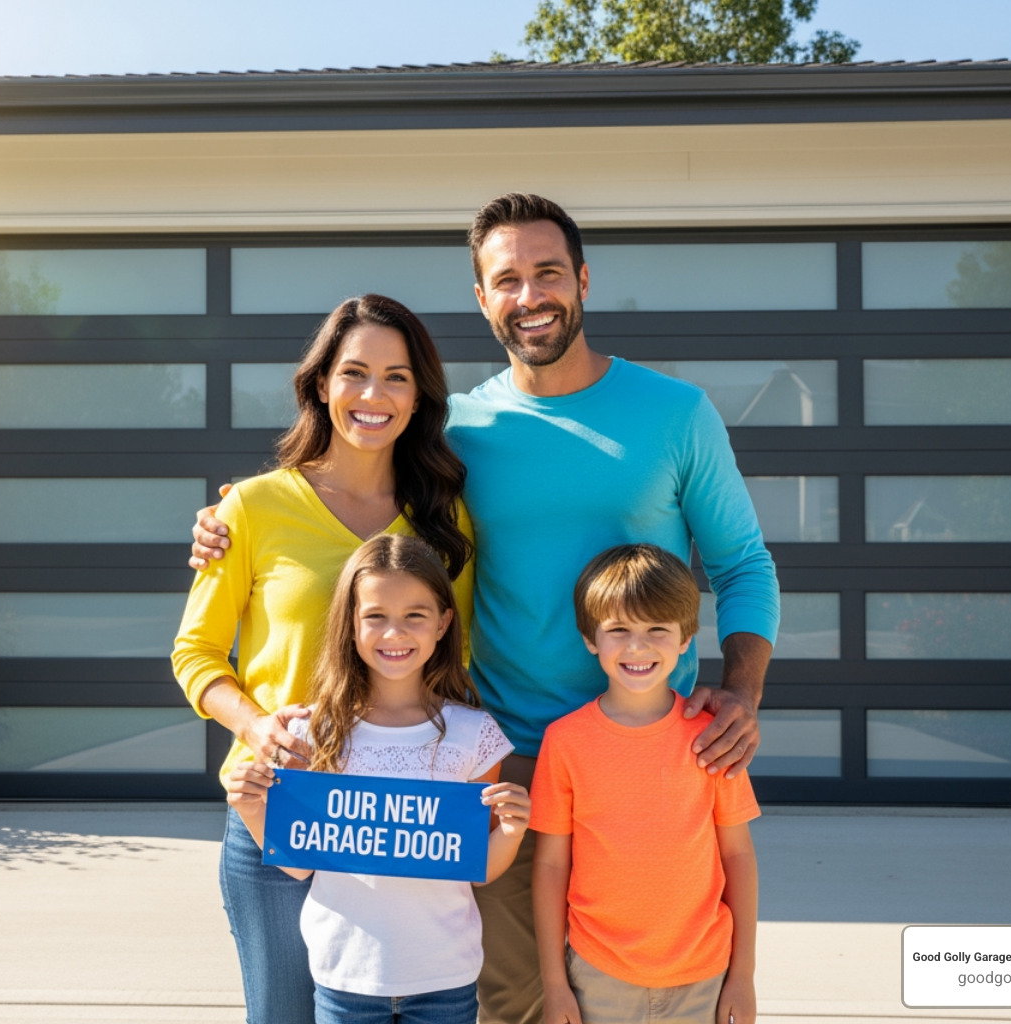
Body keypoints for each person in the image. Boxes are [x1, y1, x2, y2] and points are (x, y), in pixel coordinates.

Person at [191, 194, 778, 1024]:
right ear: (482, 298)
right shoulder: (455, 434)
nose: (530, 294)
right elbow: (350, 474)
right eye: (507, 278)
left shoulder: (675, 414)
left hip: (644, 759)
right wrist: (229, 518)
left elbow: (743, 562)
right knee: (511, 1001)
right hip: (498, 760)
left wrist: (743, 690)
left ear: (582, 279)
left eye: (547, 272)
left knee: (650, 988)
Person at [171, 294, 475, 1024]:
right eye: (355, 373)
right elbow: (197, 653)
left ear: (420, 394)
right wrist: (255, 727)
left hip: (400, 821)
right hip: (280, 809)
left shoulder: (445, 518)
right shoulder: (250, 508)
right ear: (321, 385)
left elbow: (453, 665)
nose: (374, 395)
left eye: (397, 377)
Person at [224, 534, 532, 1024]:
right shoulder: (311, 731)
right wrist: (251, 808)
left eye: (415, 615)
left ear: (443, 623)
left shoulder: (474, 735)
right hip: (345, 974)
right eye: (375, 617)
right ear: (350, 624)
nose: (395, 633)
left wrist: (511, 833)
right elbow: (300, 863)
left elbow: (474, 866)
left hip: (445, 978)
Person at [530, 544, 759, 1024]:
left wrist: (743, 975)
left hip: (704, 975)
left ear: (686, 638)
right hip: (598, 976)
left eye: (657, 629)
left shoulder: (712, 737)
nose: (638, 647)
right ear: (590, 638)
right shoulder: (565, 742)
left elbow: (737, 855)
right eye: (618, 630)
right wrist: (554, 985)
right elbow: (551, 866)